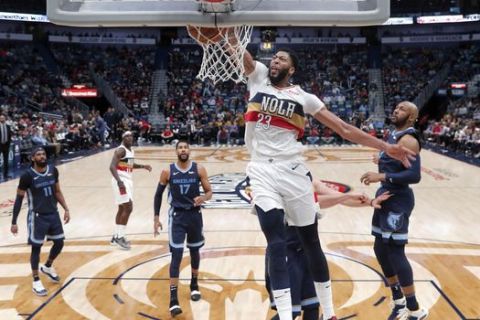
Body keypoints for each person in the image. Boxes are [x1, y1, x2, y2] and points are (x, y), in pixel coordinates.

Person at [231, 43, 415, 320]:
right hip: (260, 170)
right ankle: (283, 314)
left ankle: (328, 313)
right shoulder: (258, 78)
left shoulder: (305, 98)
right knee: (276, 243)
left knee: (310, 242)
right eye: (274, 59)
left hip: (292, 171)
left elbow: (344, 129)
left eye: (281, 59)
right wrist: (225, 33)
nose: (275, 61)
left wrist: (385, 147)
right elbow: (240, 56)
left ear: (291, 69)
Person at [258, 179, 391, 320]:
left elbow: (338, 198)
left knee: (312, 307)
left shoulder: (309, 180)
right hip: (286, 255)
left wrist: (370, 202)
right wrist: (346, 196)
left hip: (306, 254)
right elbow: (316, 202)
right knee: (291, 312)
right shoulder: (277, 183)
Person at [360, 101, 428, 320]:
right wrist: (380, 160)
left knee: (395, 252)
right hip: (385, 196)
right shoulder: (393, 134)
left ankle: (415, 309)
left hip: (398, 199)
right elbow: (395, 163)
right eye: (396, 108)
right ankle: (398, 301)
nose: (395, 110)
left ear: (410, 117)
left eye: (401, 109)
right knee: (380, 248)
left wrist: (381, 175)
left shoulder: (408, 138)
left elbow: (414, 175)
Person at [153, 140, 212, 317]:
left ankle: (194, 285)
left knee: (194, 251)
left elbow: (209, 192)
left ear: (189, 150)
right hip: (177, 217)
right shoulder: (167, 171)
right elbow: (158, 195)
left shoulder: (199, 169)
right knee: (176, 255)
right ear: (176, 151)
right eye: (180, 147)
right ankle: (173, 299)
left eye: (186, 147)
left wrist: (203, 197)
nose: (183, 150)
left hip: (194, 216)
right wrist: (156, 218)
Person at [10, 147, 71, 296]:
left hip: (53, 214)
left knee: (59, 242)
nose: (42, 156)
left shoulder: (53, 170)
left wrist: (66, 209)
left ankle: (48, 266)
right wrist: (14, 222)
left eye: (43, 154)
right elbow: (18, 199)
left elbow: (57, 191)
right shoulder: (27, 176)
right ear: (32, 158)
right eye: (38, 155)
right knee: (36, 248)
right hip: (37, 217)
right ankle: (36, 280)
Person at [109, 131, 152, 249]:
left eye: (131, 136)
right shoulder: (121, 150)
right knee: (128, 207)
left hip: (127, 181)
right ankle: (120, 237)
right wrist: (119, 182)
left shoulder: (130, 151)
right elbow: (112, 166)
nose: (129, 137)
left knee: (122, 207)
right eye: (126, 136)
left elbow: (129, 165)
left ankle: (116, 236)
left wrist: (143, 166)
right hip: (121, 181)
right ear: (122, 138)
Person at [0, 114, 13, 179]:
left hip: (6, 145)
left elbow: (9, 135)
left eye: (3, 118)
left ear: (5, 119)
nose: (2, 119)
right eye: (1, 118)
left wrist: (9, 143)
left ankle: (5, 175)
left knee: (6, 161)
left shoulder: (8, 126)